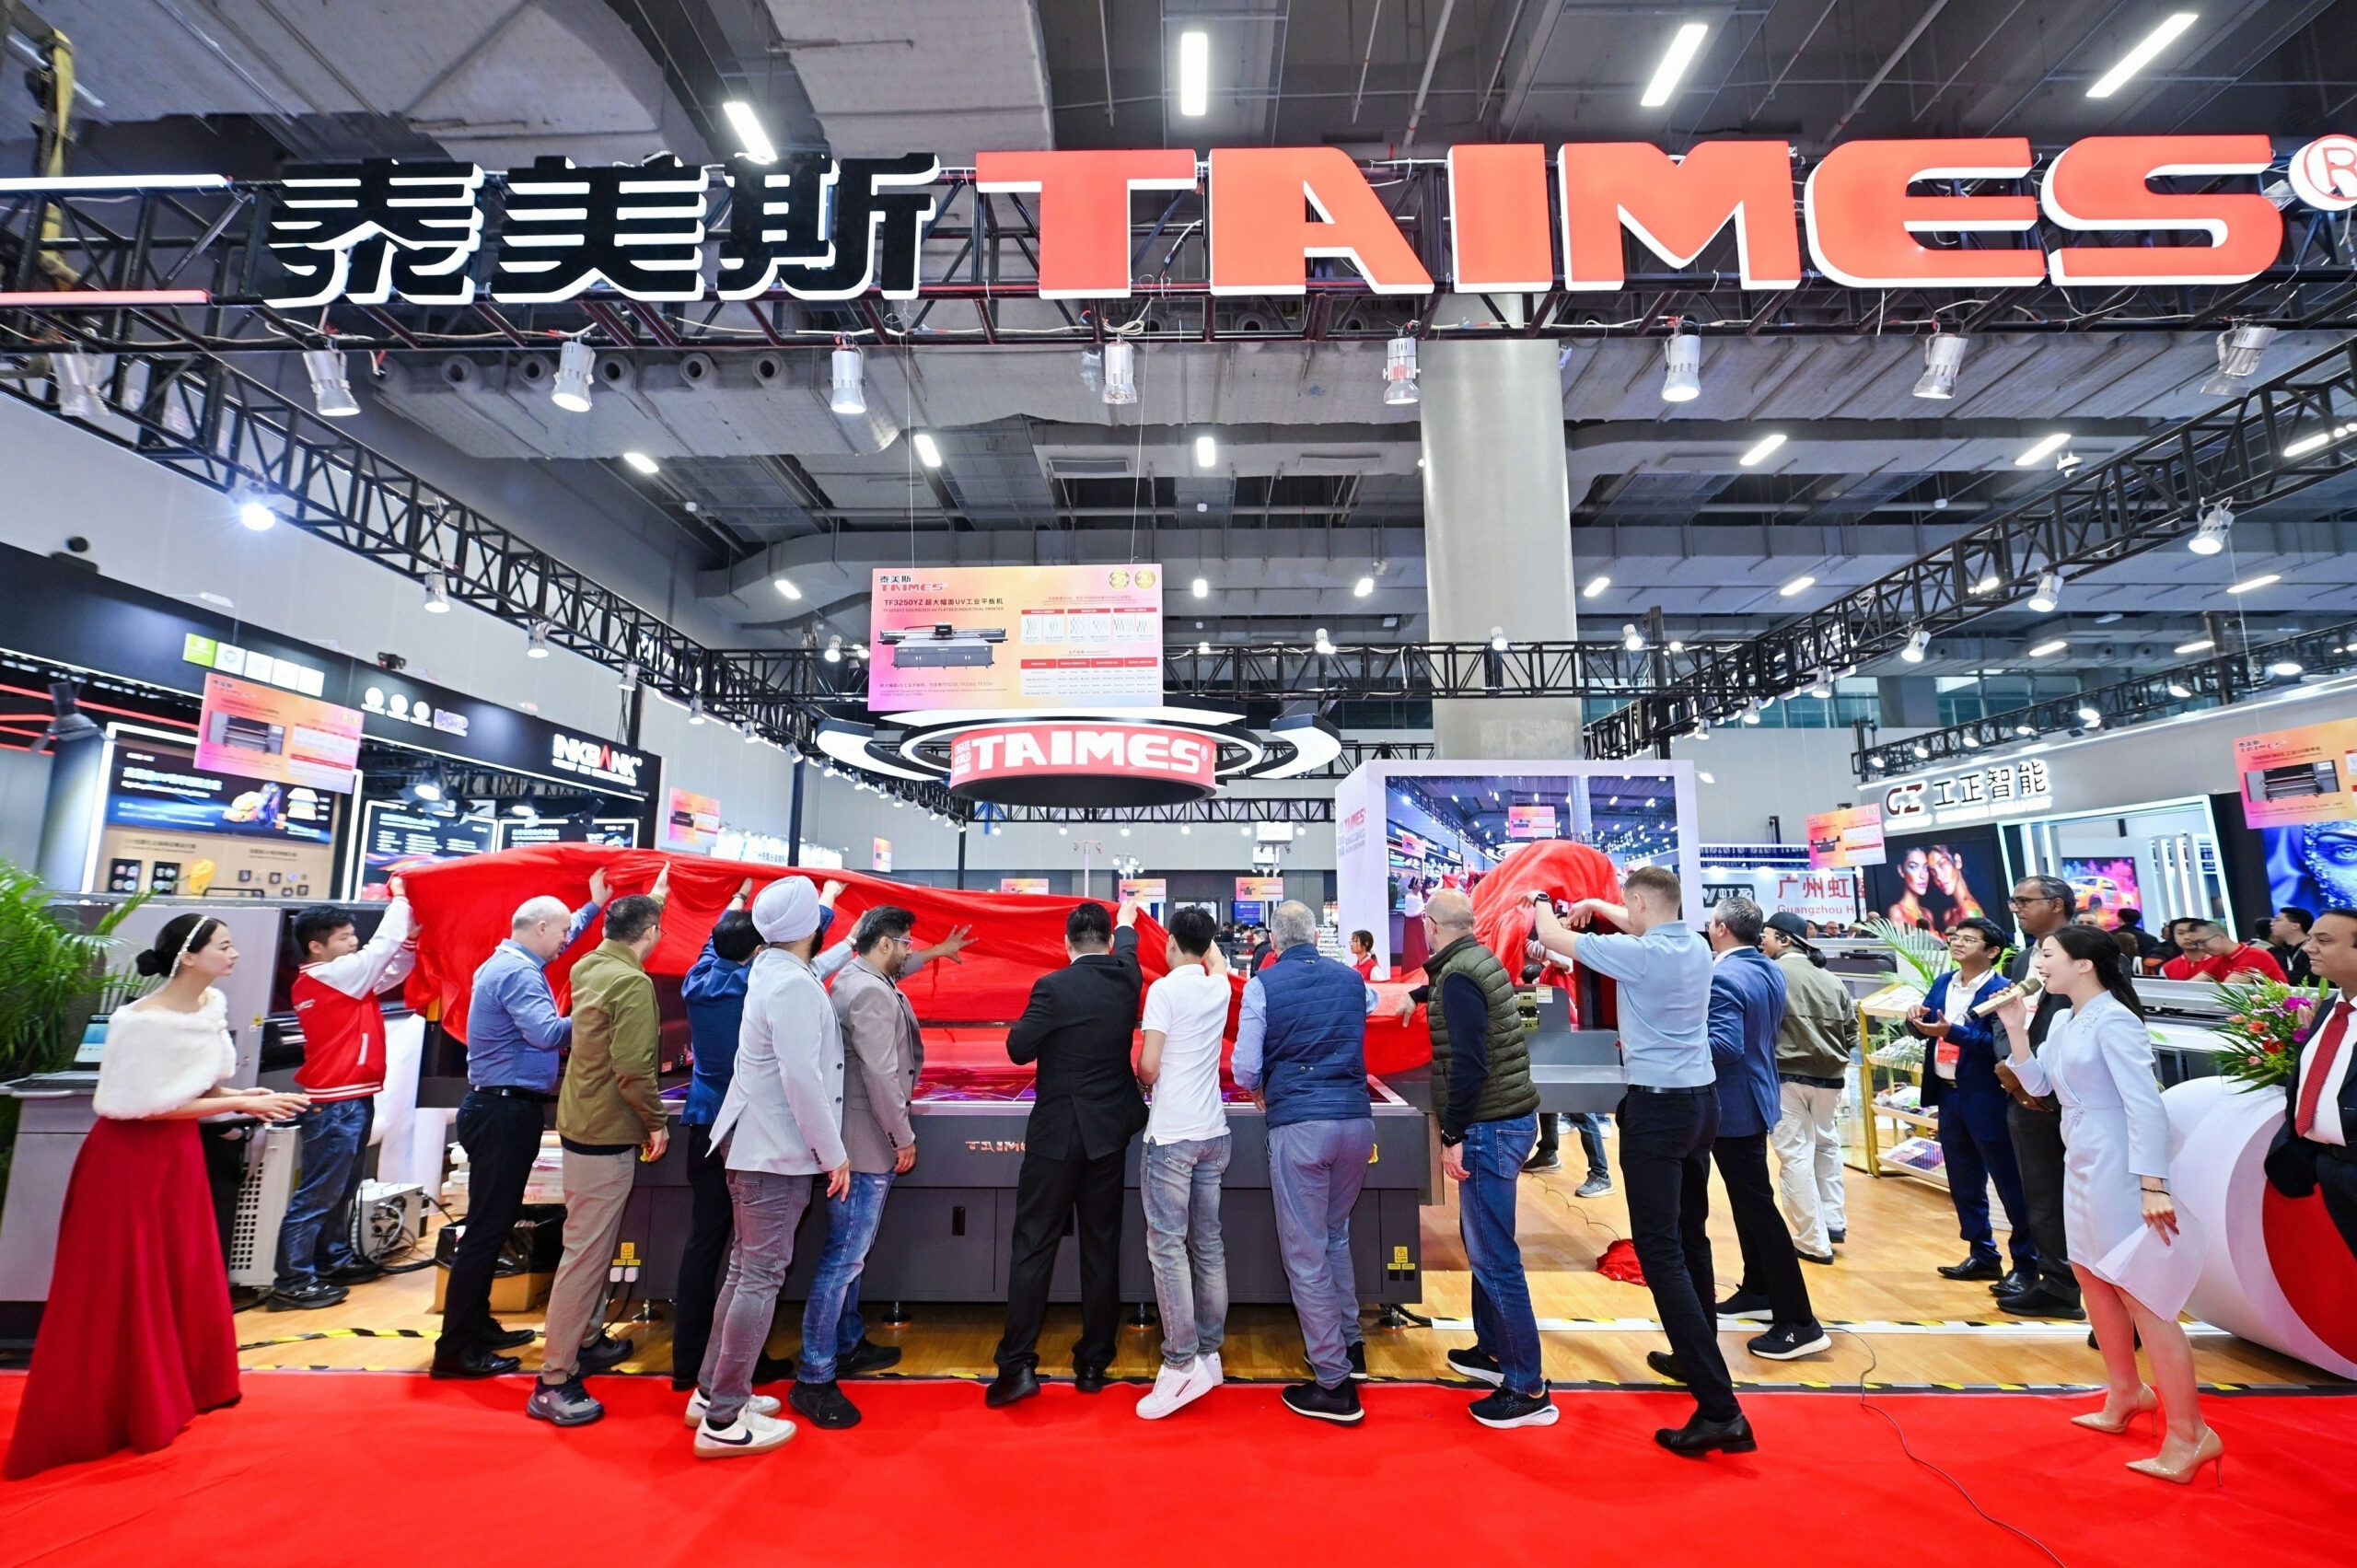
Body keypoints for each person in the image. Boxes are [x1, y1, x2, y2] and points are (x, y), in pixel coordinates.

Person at [5, 915, 308, 1480]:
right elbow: (141, 1106)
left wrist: (241, 1095)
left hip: (177, 1159)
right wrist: (240, 1104)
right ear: (188, 956)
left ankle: (181, 1390)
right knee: (128, 1284)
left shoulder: (209, 1006)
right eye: (224, 946)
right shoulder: (141, 1021)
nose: (235, 954)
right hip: (130, 1165)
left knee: (179, 1272)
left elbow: (193, 1088)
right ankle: (118, 1409)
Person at [1529, 868, 1750, 1457]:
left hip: (1658, 1110)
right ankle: (1694, 1354)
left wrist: (1541, 897)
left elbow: (1550, 935)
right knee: (1690, 1235)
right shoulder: (1695, 946)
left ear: (1638, 903)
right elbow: (1636, 921)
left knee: (1660, 1252)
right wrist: (1597, 901)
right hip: (1702, 1104)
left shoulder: (1639, 954)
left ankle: (1720, 1408)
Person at [1994, 925, 2221, 1484]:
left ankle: (2190, 1432)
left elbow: (2145, 1106)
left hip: (2120, 1164)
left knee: (2142, 1294)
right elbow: (2040, 1087)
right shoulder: (2064, 1019)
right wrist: (2017, 1029)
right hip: (2081, 1157)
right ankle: (2125, 1392)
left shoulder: (2116, 1021)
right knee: (2091, 1277)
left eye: (2048, 954)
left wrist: (2152, 1184)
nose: (2039, 963)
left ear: (2085, 964)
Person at [796, 903, 972, 1427]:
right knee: (844, 1260)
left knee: (849, 1256)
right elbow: (881, 1075)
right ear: (886, 944)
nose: (911, 952)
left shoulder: (858, 976)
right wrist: (903, 1136)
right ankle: (815, 1373)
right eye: (908, 944)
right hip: (868, 1142)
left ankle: (846, 1343)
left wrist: (937, 953)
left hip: (855, 1137)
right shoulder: (870, 992)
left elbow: (897, 974)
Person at [689, 877, 844, 1458]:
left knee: (743, 1272)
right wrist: (833, 1153)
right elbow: (802, 1078)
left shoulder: (768, 970)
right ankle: (724, 1418)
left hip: (753, 1143)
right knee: (758, 1277)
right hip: (775, 1151)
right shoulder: (791, 983)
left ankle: (712, 1392)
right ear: (808, 926)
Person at [432, 871, 608, 1378]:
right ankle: (456, 1349)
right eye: (561, 933)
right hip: (503, 1112)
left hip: (503, 1108)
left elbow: (560, 930)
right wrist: (601, 1009)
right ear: (539, 930)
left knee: (493, 1224)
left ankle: (476, 1325)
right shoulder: (518, 973)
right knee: (486, 1231)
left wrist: (592, 907)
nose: (566, 942)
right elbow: (547, 1033)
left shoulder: (514, 960)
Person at [986, 898, 1149, 1407]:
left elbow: (1018, 1049)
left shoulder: (1053, 988)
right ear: (1107, 942)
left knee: (1034, 1245)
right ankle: (1094, 1363)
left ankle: (1017, 1365)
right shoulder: (1126, 979)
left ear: (1066, 944)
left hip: (1056, 1137)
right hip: (1108, 1135)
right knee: (1101, 1247)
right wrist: (1127, 922)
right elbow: (1128, 947)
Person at [1237, 900, 1387, 1424]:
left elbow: (1245, 1067)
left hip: (1301, 1126)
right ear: (1317, 936)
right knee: (1335, 1236)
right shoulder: (1351, 981)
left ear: (1274, 941)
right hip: (1355, 1124)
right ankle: (1351, 1346)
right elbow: (1371, 1005)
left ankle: (1333, 1383)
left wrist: (1261, 1086)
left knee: (1305, 1254)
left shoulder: (1263, 986)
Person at [1410, 889, 1556, 1427]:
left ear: (1432, 926)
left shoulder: (1458, 976)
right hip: (1506, 1118)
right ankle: (1493, 1351)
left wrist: (1452, 1133)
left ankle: (1527, 1387)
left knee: (1494, 1255)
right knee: (1484, 1245)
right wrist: (1417, 997)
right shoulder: (1475, 960)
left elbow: (1469, 1062)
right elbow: (1463, 1006)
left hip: (1488, 1126)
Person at [529, 883, 670, 1427]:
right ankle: (554, 1378)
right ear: (651, 934)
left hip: (580, 1122)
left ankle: (586, 1341)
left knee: (592, 1246)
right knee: (586, 1257)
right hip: (607, 1131)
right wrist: (655, 1121)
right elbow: (633, 1069)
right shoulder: (631, 982)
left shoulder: (589, 965)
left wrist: (652, 897)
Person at [273, 885, 419, 1309]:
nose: (354, 942)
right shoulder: (329, 976)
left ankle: (331, 1260)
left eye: (353, 935)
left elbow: (392, 967)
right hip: (335, 1103)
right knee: (319, 1194)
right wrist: (402, 900)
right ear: (315, 946)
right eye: (344, 937)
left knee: (341, 1189)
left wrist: (411, 935)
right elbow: (381, 951)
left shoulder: (342, 979)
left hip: (349, 1098)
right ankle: (293, 1280)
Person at [1701, 900, 1829, 1360]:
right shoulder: (1766, 967)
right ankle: (1759, 1288)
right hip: (1756, 1095)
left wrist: (1670, 1042)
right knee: (1749, 1203)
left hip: (1734, 1104)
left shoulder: (1724, 977)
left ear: (1720, 929)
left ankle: (1800, 1321)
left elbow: (1724, 1045)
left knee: (1758, 1209)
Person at [673, 878, 782, 1391]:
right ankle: (740, 1361)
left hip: (702, 1124)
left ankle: (688, 1359)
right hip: (745, 1130)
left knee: (704, 1241)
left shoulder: (697, 980)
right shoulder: (754, 986)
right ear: (758, 952)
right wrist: (827, 904)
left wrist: (736, 898)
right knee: (750, 1254)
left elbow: (709, 944)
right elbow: (801, 954)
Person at [1133, 906, 1235, 1421]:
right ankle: (1208, 1355)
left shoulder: (1164, 991)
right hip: (1214, 1133)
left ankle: (1180, 1364)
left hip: (1172, 1135)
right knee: (1208, 1245)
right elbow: (1218, 962)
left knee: (1168, 1249)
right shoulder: (1220, 988)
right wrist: (1202, 939)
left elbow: (1149, 1066)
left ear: (1171, 942)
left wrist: (1140, 1073)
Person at [1910, 917, 2038, 1292]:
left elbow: (1998, 1046)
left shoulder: (2002, 991)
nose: (1958, 943)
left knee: (2008, 1181)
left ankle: (2026, 1264)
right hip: (1948, 1093)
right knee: (1963, 1179)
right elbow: (1926, 1026)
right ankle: (1982, 1254)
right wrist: (1913, 1020)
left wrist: (1954, 1033)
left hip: (1986, 1095)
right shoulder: (1943, 983)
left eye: (1969, 939)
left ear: (1993, 951)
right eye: (1956, 937)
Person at [1994, 875, 2085, 1321]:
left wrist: (2046, 1075)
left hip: (2072, 1092)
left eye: (2024, 901)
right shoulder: (2020, 961)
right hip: (2024, 1087)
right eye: (2013, 902)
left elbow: (2091, 1020)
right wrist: (2011, 1067)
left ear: (2056, 904)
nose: (2016, 909)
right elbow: (2007, 1014)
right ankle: (2057, 1283)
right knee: (2041, 1192)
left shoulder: (2091, 950)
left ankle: (2107, 1295)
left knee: (2086, 1197)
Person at [2266, 907, 2357, 1264]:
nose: (2308, 948)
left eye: (2324, 940)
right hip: (2333, 1168)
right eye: (2310, 938)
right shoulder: (2331, 1008)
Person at [1759, 912, 1852, 1260]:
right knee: (1826, 1145)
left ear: (1785, 940)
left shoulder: (1772, 974)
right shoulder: (1831, 979)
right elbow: (1851, 1030)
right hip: (1831, 1076)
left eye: (1767, 935)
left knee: (1794, 1154)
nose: (1762, 942)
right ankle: (1833, 1221)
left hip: (1787, 1075)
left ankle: (1812, 1240)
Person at [2160, 919, 2286, 983]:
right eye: (2197, 943)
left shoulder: (2255, 956)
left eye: (2202, 942)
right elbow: (2192, 985)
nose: (2200, 947)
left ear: (2220, 937)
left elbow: (2227, 992)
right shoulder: (2220, 959)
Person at [2270, 907, 2316, 985]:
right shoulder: (2274, 952)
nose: (2272, 924)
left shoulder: (2314, 950)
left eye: (2278, 920)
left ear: (2295, 926)